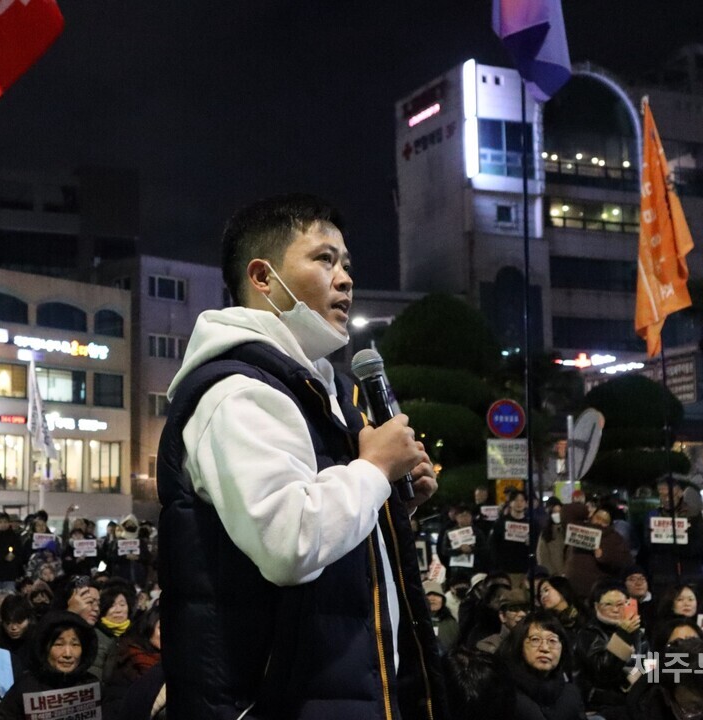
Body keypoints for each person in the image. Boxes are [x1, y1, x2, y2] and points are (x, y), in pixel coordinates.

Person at [156, 194, 445, 719]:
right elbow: (289, 542)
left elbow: (323, 547)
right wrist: (375, 468)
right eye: (324, 259)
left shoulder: (314, 388)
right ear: (263, 277)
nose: (345, 279)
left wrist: (387, 507)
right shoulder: (239, 392)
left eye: (347, 264)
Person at [0, 612, 101, 720]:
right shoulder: (25, 689)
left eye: (75, 645)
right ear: (44, 648)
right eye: (58, 644)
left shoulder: (92, 685)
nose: (68, 654)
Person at [574, 580, 648, 720]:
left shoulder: (638, 634)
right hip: (599, 707)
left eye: (620, 604)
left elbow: (649, 667)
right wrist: (623, 635)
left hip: (632, 704)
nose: (615, 610)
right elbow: (603, 672)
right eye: (608, 604)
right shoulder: (589, 633)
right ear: (596, 606)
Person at [641, 477, 703, 597]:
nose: (666, 499)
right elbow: (649, 543)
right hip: (663, 577)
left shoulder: (698, 515)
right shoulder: (653, 516)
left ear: (680, 493)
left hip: (692, 574)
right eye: (662, 495)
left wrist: (685, 543)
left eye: (670, 494)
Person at [503, 611, 585, 720]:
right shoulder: (504, 693)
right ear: (519, 644)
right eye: (535, 640)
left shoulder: (571, 694)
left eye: (552, 641)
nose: (545, 648)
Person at [563, 507, 632, 601]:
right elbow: (567, 512)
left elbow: (624, 561)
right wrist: (586, 510)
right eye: (598, 517)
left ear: (609, 524)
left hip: (596, 590)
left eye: (604, 520)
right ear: (592, 517)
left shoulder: (614, 538)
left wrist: (603, 556)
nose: (599, 522)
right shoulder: (581, 529)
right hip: (572, 587)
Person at [487, 489, 531, 586]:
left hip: (526, 570)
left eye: (522, 501)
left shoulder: (532, 523)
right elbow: (493, 545)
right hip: (505, 570)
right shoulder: (500, 523)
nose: (519, 503)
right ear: (510, 503)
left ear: (526, 504)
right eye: (515, 500)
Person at [422, 581, 459, 654]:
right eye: (428, 595)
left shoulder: (451, 622)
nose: (432, 599)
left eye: (437, 595)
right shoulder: (414, 622)